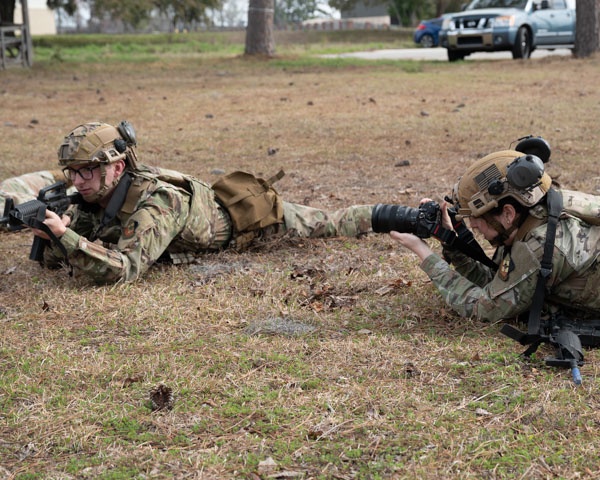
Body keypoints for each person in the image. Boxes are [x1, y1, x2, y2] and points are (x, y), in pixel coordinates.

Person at [27, 121, 372, 284]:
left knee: (334, 223)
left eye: (87, 171)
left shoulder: (158, 202)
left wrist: (69, 238)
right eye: (72, 172)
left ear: (116, 167)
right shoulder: (97, 194)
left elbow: (125, 270)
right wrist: (54, 237)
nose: (78, 181)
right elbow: (62, 261)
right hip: (202, 219)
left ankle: (398, 217)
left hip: (251, 223)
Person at [390, 149, 600, 323]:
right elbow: (496, 281)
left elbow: (485, 308)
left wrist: (424, 253)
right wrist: (453, 243)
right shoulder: (541, 209)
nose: (472, 224)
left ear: (507, 213)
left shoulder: (540, 245)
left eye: (477, 217)